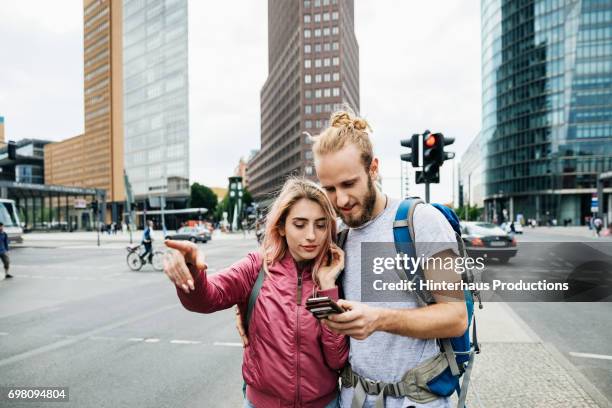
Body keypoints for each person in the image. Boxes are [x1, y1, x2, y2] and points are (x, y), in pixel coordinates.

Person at [164, 178, 349, 408]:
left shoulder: (338, 271)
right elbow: (207, 298)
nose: (311, 235)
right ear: (281, 226)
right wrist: (191, 269)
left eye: (320, 225)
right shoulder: (257, 267)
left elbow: (336, 359)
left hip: (325, 404)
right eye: (300, 224)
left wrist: (327, 287)